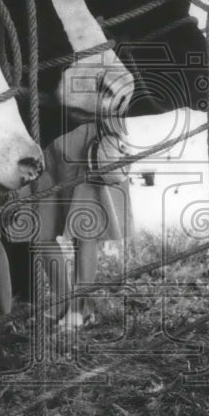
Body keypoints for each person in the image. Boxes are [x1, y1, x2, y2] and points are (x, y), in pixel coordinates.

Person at [19, 120, 134, 331]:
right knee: (40, 227)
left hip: (85, 134)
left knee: (85, 230)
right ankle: (62, 300)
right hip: (40, 135)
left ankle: (80, 307)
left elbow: (118, 92)